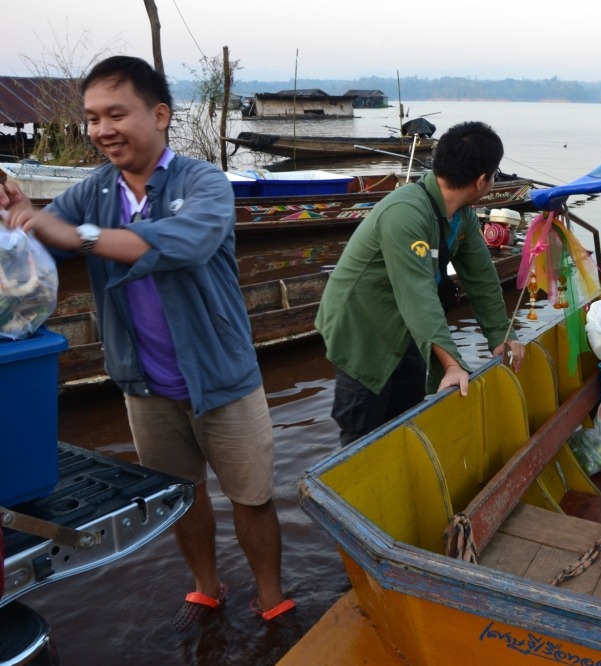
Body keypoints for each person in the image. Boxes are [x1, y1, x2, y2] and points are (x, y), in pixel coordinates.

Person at [0, 55, 293, 631]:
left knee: (252, 496)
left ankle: (271, 596)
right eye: (91, 117)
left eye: (116, 113)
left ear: (159, 115)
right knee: (182, 494)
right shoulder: (92, 192)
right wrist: (17, 217)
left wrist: (72, 233)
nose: (102, 129)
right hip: (145, 386)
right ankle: (207, 587)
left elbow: (182, 243)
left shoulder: (203, 183)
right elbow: (37, 251)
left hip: (222, 379)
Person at [315, 120, 526, 447]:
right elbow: (418, 296)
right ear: (482, 180)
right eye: (495, 174)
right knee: (362, 435)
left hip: (409, 329)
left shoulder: (462, 216)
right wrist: (454, 364)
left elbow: (482, 279)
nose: (494, 179)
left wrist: (501, 334)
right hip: (362, 330)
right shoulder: (406, 213)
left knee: (408, 423)